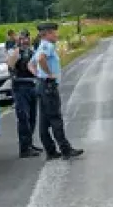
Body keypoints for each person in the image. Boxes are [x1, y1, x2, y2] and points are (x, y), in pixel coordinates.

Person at [35, 22, 83, 160]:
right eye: (54, 32)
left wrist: (40, 75)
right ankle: (65, 149)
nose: (57, 35)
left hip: (42, 85)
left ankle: (50, 151)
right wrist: (49, 74)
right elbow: (40, 59)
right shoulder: (47, 45)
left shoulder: (41, 46)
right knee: (55, 118)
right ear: (48, 33)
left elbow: (31, 64)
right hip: (48, 86)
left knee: (44, 121)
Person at [7, 30, 42, 159]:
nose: (24, 41)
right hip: (20, 87)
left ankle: (29, 143)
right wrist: (15, 51)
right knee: (24, 118)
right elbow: (10, 65)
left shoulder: (32, 51)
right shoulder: (15, 52)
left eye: (26, 38)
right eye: (22, 38)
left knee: (32, 117)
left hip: (32, 86)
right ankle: (24, 148)